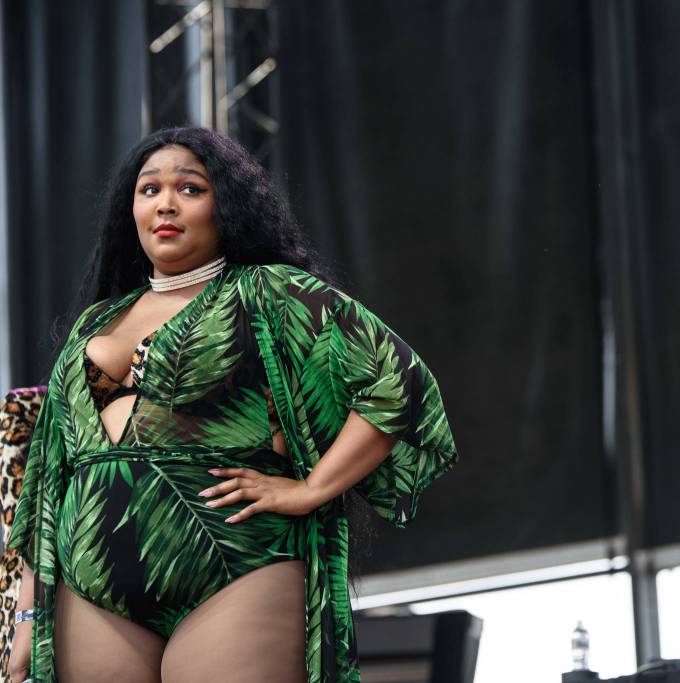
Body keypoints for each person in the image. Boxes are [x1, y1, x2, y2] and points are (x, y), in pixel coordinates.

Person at [8, 127, 457, 682]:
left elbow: (397, 384)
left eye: (190, 189)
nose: (166, 204)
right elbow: (48, 477)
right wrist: (26, 616)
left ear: (227, 205)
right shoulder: (96, 321)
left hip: (237, 564)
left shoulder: (268, 292)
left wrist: (311, 488)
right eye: (149, 190)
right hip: (90, 578)